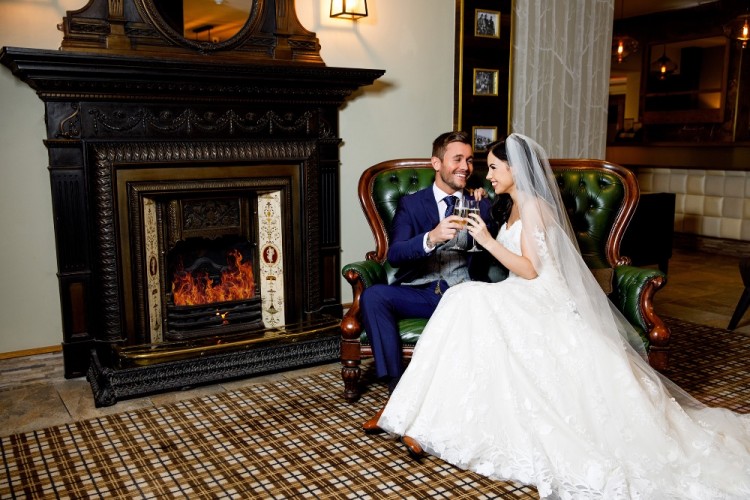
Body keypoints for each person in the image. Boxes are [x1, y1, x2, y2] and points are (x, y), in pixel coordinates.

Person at [373, 133, 750, 499]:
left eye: (492, 168)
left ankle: (418, 416)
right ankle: (416, 412)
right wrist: (448, 233)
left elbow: (531, 270)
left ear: (515, 169)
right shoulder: (506, 204)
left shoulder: (533, 207)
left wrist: (486, 239)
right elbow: (402, 251)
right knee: (464, 302)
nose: (485, 176)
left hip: (536, 293)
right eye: (477, 165)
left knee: (464, 299)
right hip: (510, 290)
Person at [360, 131, 496, 423]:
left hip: (460, 292)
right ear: (436, 163)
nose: (465, 167)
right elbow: (395, 254)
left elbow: (497, 246)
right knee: (373, 296)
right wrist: (430, 238)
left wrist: (484, 204)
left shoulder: (480, 202)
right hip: (420, 292)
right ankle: (396, 388)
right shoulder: (411, 204)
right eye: (457, 159)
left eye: (469, 160)